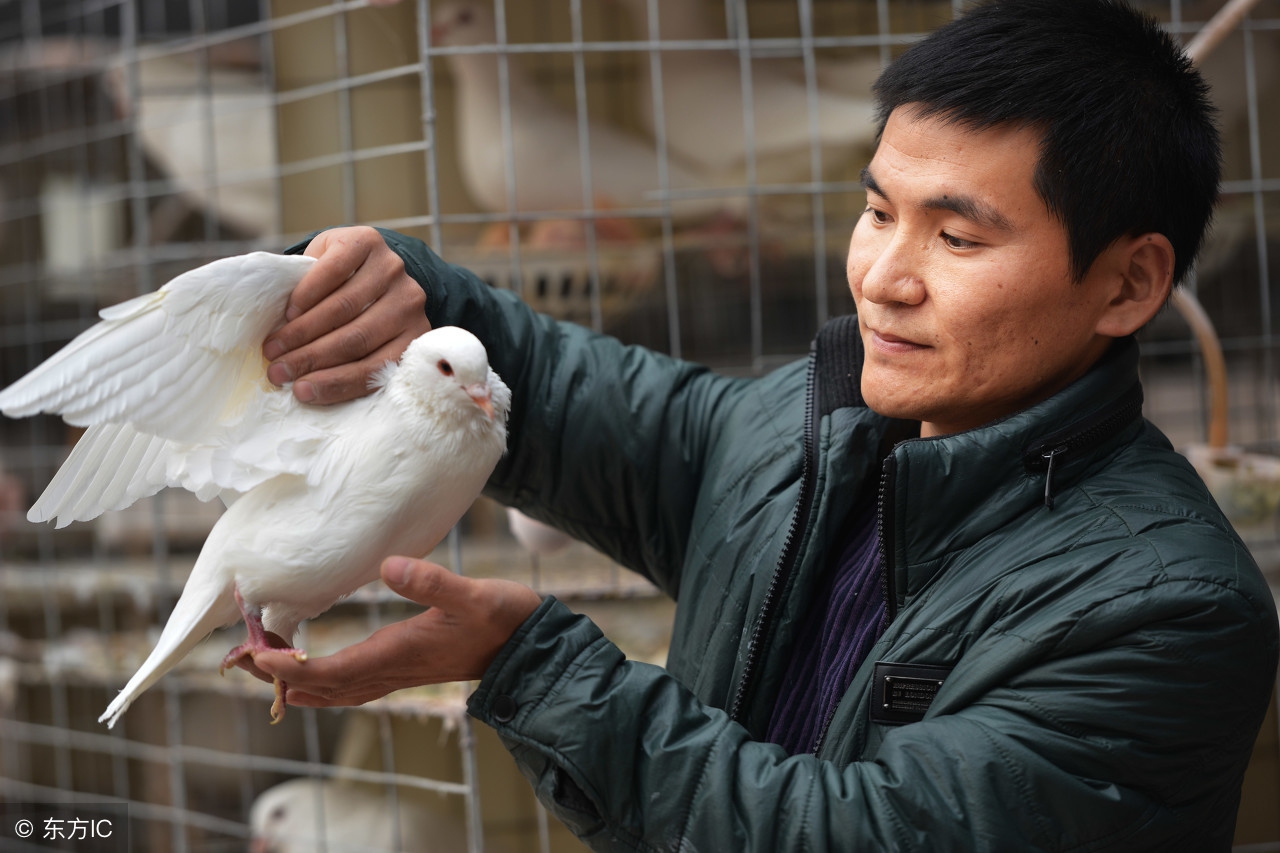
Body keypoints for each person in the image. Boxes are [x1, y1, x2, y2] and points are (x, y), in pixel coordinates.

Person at [245, 1, 1280, 849]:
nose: (881, 278)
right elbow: (561, 391)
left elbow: (853, 837)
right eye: (877, 213)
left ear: (1128, 281)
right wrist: (399, 290)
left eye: (956, 237)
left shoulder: (1165, 611)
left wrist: (535, 666)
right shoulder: (803, 429)